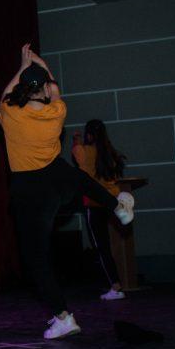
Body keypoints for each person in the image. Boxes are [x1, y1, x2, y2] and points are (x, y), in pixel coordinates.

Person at [0, 44, 135, 340]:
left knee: (36, 258)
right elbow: (55, 88)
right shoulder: (57, 111)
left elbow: (5, 93)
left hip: (29, 190)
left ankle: (63, 317)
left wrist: (23, 65)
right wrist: (41, 63)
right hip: (55, 181)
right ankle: (118, 207)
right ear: (45, 90)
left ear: (23, 89)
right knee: (78, 178)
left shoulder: (11, 113)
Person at [72, 119, 128, 301]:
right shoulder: (110, 153)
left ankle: (115, 286)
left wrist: (76, 138)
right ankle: (116, 284)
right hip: (112, 201)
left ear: (89, 135)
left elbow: (76, 152)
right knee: (108, 243)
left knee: (101, 246)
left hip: (94, 203)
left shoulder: (85, 151)